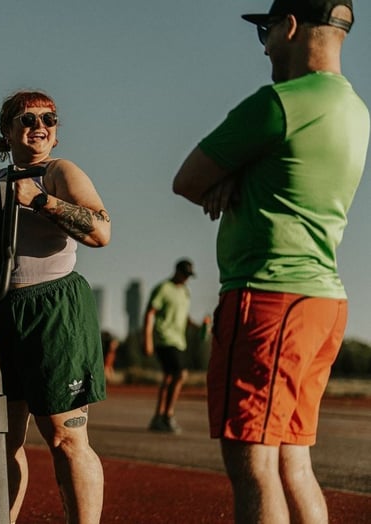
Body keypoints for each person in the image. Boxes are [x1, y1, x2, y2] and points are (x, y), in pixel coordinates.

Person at [172, 1, 369, 522]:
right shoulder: (354, 108)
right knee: (294, 462)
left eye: (264, 31)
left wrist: (231, 173)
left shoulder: (278, 103)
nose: (263, 44)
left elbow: (188, 180)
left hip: (268, 296)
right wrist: (244, 172)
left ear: (290, 27)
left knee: (252, 462)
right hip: (323, 300)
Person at [0, 90, 111, 523]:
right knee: (4, 439)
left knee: (65, 438)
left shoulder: (59, 171)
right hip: (6, 308)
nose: (40, 125)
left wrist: (41, 200)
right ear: (7, 131)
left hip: (54, 307)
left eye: (49, 119)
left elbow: (101, 231)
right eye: (27, 118)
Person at [143, 258, 195, 434]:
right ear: (177, 271)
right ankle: (168, 415)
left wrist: (199, 326)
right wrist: (148, 339)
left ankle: (158, 416)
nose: (186, 279)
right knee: (180, 374)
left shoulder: (185, 292)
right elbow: (150, 312)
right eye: (185, 275)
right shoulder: (163, 288)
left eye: (189, 276)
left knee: (169, 378)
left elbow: (184, 316)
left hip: (179, 340)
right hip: (164, 338)